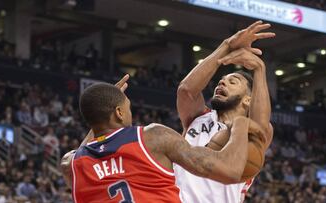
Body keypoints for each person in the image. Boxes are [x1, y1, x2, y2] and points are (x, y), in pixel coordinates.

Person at [60, 76, 265, 203]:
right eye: (129, 107)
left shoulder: (71, 164)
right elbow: (231, 171)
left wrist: (100, 114)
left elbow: (84, 150)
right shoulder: (152, 137)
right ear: (120, 113)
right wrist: (240, 125)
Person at [174, 20, 275, 202]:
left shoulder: (250, 132)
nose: (222, 82)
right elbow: (186, 91)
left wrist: (259, 69)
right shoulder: (198, 117)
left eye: (233, 81)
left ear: (248, 100)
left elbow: (261, 124)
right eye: (222, 80)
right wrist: (227, 45)